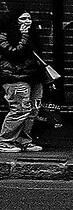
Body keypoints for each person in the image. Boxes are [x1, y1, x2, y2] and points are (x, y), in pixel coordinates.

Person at [1, 10, 55, 153]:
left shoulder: (33, 35)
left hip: (34, 77)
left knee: (32, 110)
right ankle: (5, 141)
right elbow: (14, 53)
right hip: (15, 77)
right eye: (23, 18)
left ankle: (23, 140)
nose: (27, 21)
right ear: (15, 21)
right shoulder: (4, 35)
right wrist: (23, 36)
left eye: (29, 18)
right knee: (19, 109)